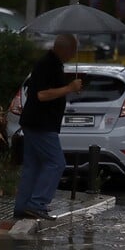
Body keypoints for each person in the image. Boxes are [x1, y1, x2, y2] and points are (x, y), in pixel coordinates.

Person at [14, 34, 82, 221]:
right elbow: (42, 95)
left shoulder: (53, 64)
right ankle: (37, 204)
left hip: (36, 123)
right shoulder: (47, 64)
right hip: (41, 124)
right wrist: (69, 88)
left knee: (33, 166)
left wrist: (68, 89)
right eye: (73, 51)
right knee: (56, 163)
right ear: (63, 49)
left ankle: (22, 207)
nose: (73, 55)